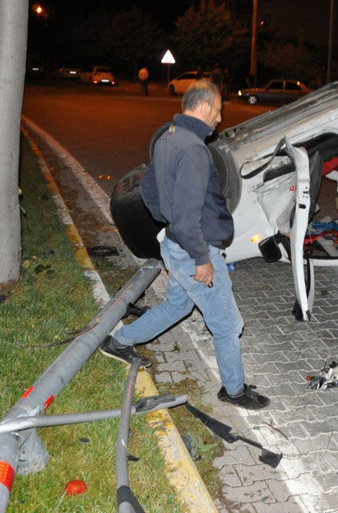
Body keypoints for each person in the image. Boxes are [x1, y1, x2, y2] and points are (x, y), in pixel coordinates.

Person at [101, 80, 269, 410]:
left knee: (178, 306)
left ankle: (118, 342)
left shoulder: (168, 137)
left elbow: (147, 189)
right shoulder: (193, 149)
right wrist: (200, 258)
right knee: (228, 324)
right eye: (218, 110)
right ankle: (233, 390)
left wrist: (168, 222)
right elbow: (189, 215)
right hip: (195, 249)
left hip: (177, 246)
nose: (220, 118)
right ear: (204, 107)